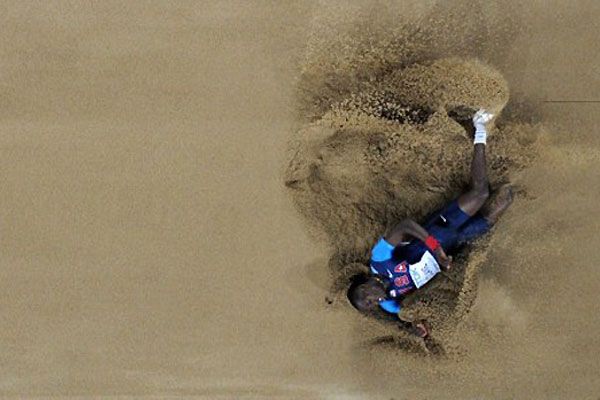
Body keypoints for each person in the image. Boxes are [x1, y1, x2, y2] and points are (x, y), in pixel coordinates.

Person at [347, 109, 514, 338]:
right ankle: (521, 178)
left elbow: (405, 226)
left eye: (367, 299)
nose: (374, 303)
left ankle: (479, 129)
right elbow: (409, 319)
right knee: (504, 202)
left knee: (481, 193)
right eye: (371, 307)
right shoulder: (391, 303)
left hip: (442, 225)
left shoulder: (379, 260)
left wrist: (435, 248)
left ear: (365, 284)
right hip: (458, 244)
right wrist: (416, 328)